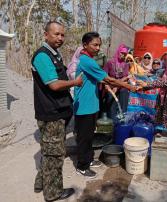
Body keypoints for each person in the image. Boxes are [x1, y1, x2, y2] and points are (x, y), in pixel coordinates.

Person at [31, 21, 83, 201]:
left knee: (49, 150)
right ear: (46, 35)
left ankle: (41, 183)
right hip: (51, 113)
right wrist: (75, 83)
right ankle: (53, 193)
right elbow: (54, 85)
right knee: (54, 154)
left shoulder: (54, 54)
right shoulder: (42, 56)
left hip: (58, 112)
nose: (60, 38)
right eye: (56, 34)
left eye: (62, 34)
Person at [74, 32, 136, 177]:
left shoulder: (90, 60)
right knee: (84, 137)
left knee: (89, 135)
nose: (97, 48)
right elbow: (110, 80)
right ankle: (82, 166)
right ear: (85, 45)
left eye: (99, 45)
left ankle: (88, 159)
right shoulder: (86, 61)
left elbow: (100, 80)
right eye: (94, 45)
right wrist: (129, 87)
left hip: (91, 104)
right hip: (84, 106)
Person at [103, 44, 130, 121]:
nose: (123, 55)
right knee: (112, 108)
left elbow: (125, 77)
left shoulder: (125, 64)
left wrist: (117, 86)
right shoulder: (110, 63)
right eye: (122, 53)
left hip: (121, 88)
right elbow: (104, 75)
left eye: (125, 54)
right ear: (118, 52)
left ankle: (121, 123)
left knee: (123, 107)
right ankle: (112, 124)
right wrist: (108, 86)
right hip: (111, 88)